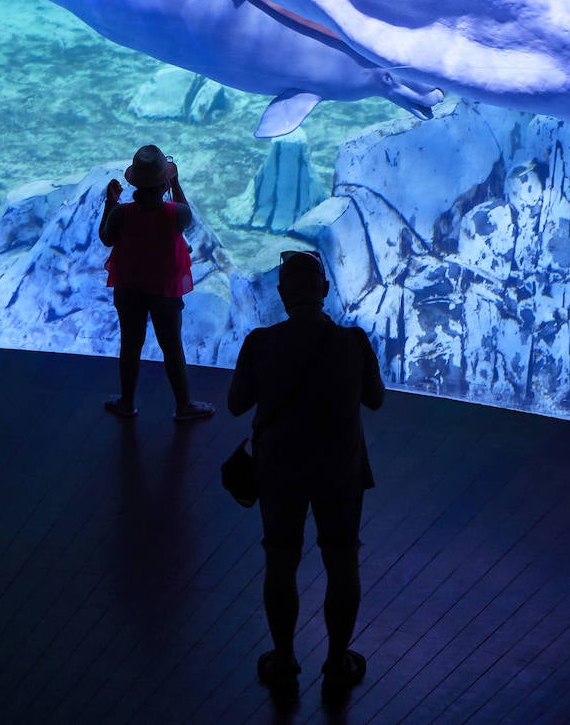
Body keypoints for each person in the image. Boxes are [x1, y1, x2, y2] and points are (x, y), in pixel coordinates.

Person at [228, 250, 385, 704]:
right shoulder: (353, 343)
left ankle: (283, 660)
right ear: (325, 291)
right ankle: (337, 662)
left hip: (279, 471)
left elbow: (237, 403)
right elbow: (375, 399)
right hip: (340, 470)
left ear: (281, 295)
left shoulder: (260, 342)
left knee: (280, 559)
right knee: (341, 560)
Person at [99, 144, 214, 422]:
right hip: (165, 290)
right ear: (164, 183)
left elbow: (106, 238)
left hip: (129, 288)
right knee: (172, 346)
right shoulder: (176, 213)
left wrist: (111, 202)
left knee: (130, 344)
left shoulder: (122, 213)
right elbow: (188, 215)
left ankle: (127, 402)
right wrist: (176, 184)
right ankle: (184, 405)